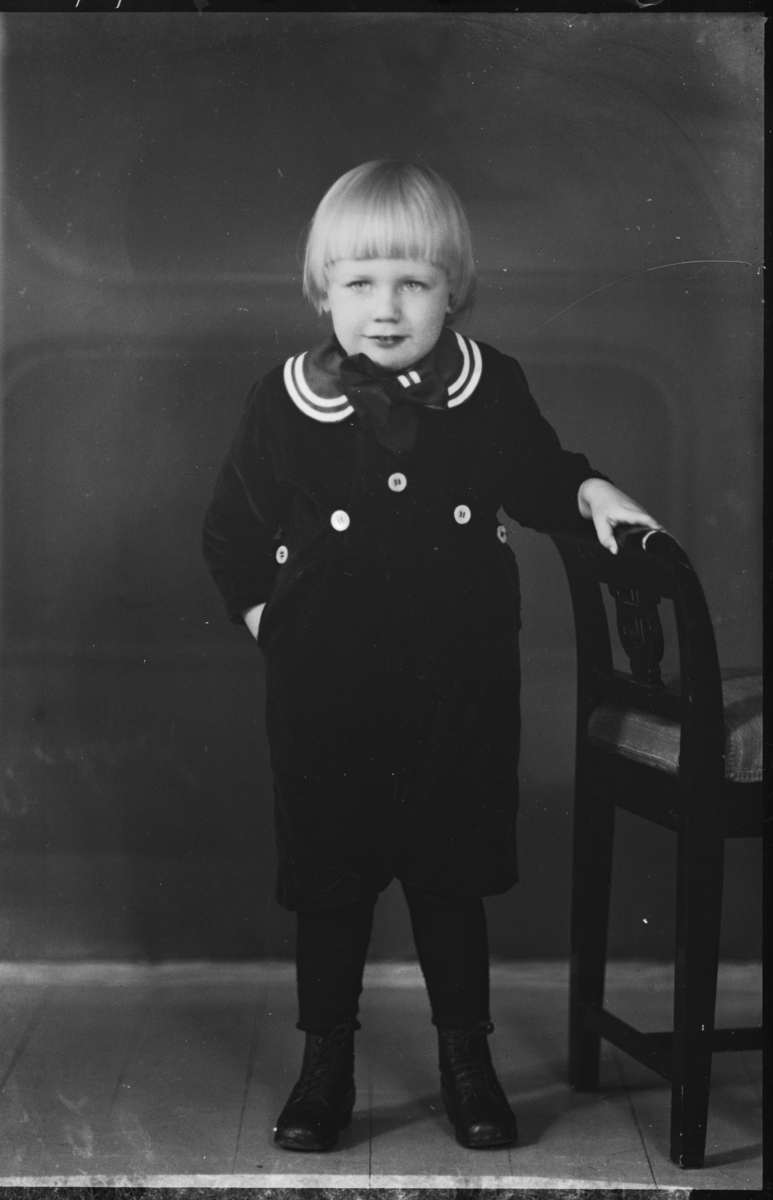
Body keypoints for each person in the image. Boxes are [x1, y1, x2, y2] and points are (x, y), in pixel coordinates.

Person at [202, 160, 661, 1154]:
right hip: (326, 697)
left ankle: (467, 1061)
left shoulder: (490, 387)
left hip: (459, 689)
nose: (385, 308)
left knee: (450, 878)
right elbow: (230, 535)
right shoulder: (283, 402)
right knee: (332, 884)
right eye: (359, 282)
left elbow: (537, 477)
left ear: (453, 290)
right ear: (322, 290)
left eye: (412, 282)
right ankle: (325, 1065)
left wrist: (588, 491)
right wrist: (276, 628)